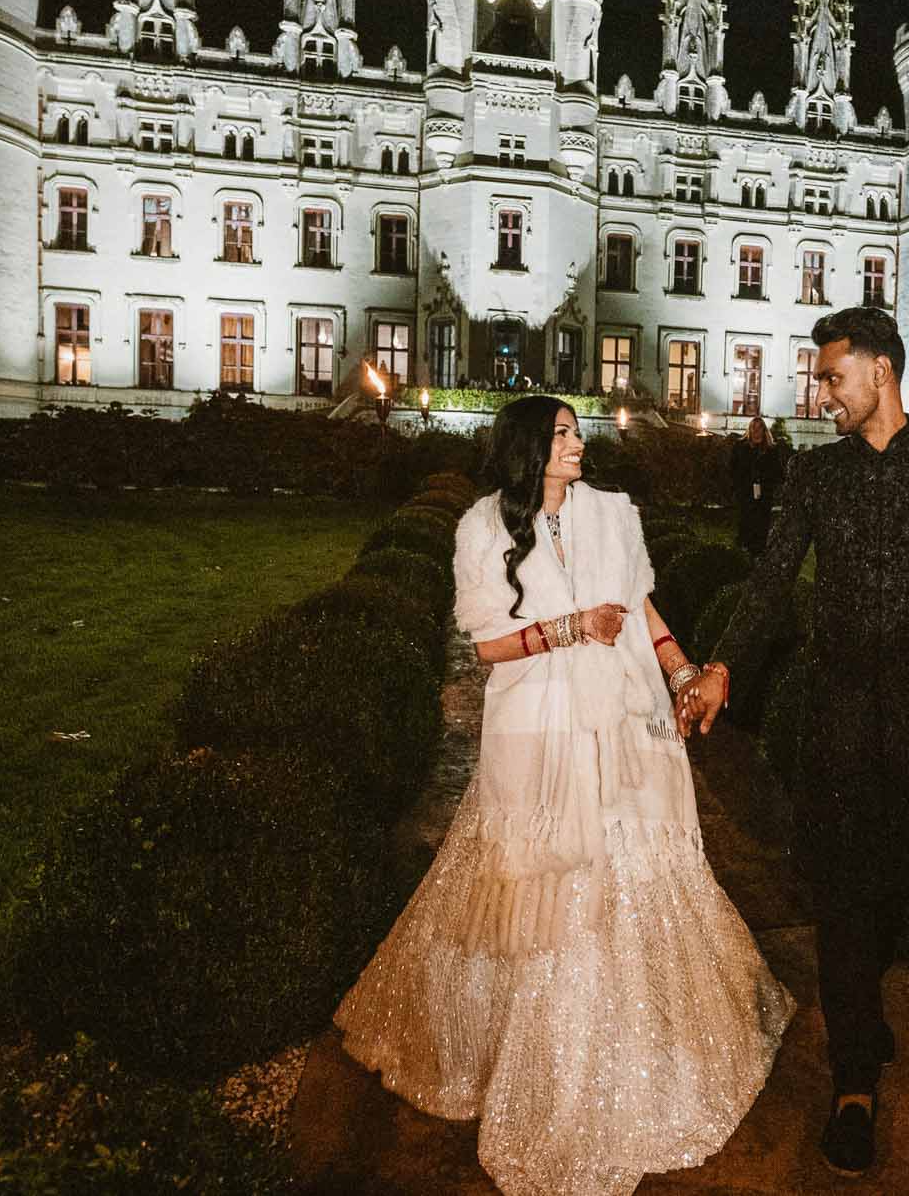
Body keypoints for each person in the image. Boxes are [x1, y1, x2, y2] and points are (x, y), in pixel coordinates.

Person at [333, 396, 794, 1196]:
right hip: (537, 723)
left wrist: (681, 669)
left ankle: (642, 1052)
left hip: (624, 711)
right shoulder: (482, 526)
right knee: (535, 875)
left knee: (634, 860)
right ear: (525, 449)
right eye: (563, 434)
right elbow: (484, 644)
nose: (579, 444)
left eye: (578, 433)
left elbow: (642, 603)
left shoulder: (613, 512)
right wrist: (571, 628)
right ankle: (523, 1057)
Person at [680, 307, 909, 1178]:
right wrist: (723, 667)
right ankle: (855, 1081)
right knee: (843, 898)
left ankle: (864, 1005)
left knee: (896, 885)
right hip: (839, 722)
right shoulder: (816, 477)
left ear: (880, 373)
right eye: (820, 380)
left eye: (831, 378)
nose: (819, 394)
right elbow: (771, 583)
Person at [728, 416, 786, 555]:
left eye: (759, 428)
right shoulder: (741, 447)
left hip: (764, 493)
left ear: (764, 430)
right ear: (749, 429)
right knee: (745, 520)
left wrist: (766, 481)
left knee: (761, 522)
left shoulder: (771, 450)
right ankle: (743, 549)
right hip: (746, 492)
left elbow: (777, 472)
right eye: (753, 427)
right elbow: (733, 468)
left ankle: (758, 551)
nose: (756, 431)